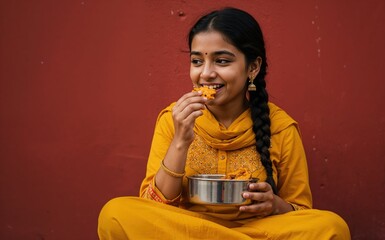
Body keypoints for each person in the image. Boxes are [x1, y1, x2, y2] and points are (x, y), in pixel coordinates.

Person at [98, 7, 350, 239]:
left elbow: (301, 211)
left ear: (252, 67)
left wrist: (274, 204)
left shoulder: (281, 127)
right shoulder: (173, 117)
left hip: (255, 231)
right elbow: (153, 207)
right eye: (197, 61)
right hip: (187, 228)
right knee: (115, 213)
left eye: (222, 61)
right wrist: (180, 140)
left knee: (331, 227)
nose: (205, 73)